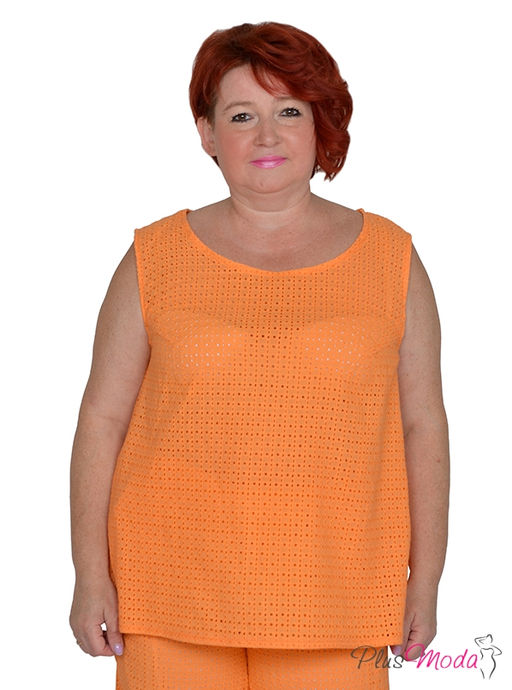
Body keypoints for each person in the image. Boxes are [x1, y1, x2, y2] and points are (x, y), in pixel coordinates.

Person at [69, 21, 450, 690]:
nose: (266, 135)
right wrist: (89, 576)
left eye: (289, 111)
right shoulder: (154, 258)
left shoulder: (392, 259)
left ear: (320, 122)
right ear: (208, 133)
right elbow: (101, 421)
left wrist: (427, 579)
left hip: (340, 595)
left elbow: (424, 427)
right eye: (242, 115)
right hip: (164, 591)